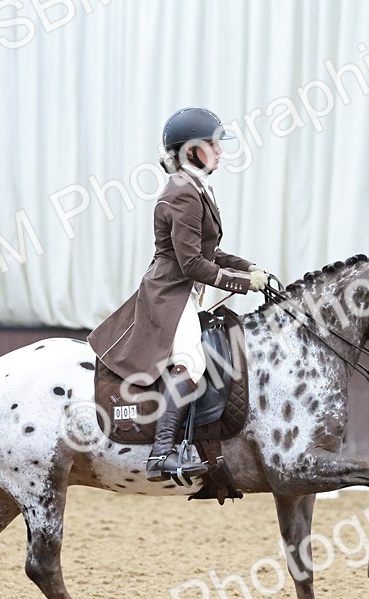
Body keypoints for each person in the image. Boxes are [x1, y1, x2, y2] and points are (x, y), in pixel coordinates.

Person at [88, 107, 268, 481]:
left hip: (184, 289)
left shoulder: (198, 188)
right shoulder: (182, 194)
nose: (220, 151)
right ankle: (162, 453)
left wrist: (249, 268)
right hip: (170, 293)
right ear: (191, 151)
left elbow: (210, 253)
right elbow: (191, 265)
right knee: (191, 362)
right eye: (213, 145)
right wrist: (239, 284)